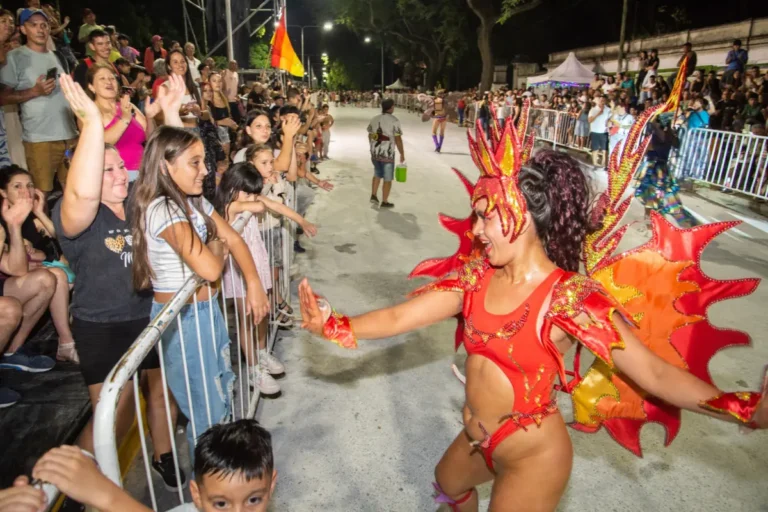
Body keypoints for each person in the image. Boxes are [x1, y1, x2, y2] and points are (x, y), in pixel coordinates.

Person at [298, 106, 768, 511]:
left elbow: (656, 375)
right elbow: (401, 316)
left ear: (525, 215)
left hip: (532, 454)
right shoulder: (475, 278)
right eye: (476, 214)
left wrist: (742, 407)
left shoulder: (570, 298)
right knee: (447, 485)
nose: (476, 228)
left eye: (486, 215)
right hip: (478, 439)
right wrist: (335, 326)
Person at [55, 74, 186, 490]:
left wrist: (170, 113)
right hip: (101, 325)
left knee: (161, 390)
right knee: (115, 410)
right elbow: (82, 196)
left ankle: (163, 456)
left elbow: (179, 172)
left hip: (147, 315)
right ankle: (75, 483)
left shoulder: (138, 205)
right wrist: (93, 125)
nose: (118, 174)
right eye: (106, 168)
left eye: (119, 167)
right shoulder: (74, 214)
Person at [130, 119, 269, 464]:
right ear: (165, 165)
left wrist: (253, 283)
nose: (205, 171)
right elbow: (209, 266)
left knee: (219, 396)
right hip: (184, 321)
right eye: (195, 162)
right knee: (206, 414)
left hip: (205, 313)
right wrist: (216, 244)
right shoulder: (163, 208)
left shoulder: (191, 203)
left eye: (204, 161)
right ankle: (211, 489)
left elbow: (232, 238)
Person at [215, 160, 317, 394]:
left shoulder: (247, 201)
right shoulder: (229, 207)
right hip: (238, 270)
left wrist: (301, 220)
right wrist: (256, 202)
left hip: (257, 262)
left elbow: (276, 207)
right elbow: (260, 206)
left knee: (262, 314)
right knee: (247, 319)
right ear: (233, 186)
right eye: (248, 193)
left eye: (254, 194)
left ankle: (261, 353)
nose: (252, 198)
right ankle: (252, 369)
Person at [0, 165, 77, 362]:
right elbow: (16, 268)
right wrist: (14, 227)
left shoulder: (31, 219)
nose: (25, 191)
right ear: (3, 192)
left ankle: (14, 350)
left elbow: (62, 242)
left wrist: (40, 212)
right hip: (11, 280)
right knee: (53, 276)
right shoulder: (4, 221)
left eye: (30, 185)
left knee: (56, 275)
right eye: (17, 186)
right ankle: (65, 343)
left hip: (20, 277)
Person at [0, 8, 78, 198]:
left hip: (70, 136)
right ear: (23, 30)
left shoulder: (59, 56)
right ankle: (41, 227)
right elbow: (3, 97)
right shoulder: (14, 57)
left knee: (75, 190)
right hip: (39, 139)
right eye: (33, 25)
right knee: (40, 195)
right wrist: (35, 91)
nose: (40, 29)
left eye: (44, 25)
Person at [83, 63, 149, 182]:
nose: (109, 82)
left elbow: (150, 135)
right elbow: (99, 144)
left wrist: (150, 116)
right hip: (117, 177)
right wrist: (124, 119)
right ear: (91, 87)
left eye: (112, 78)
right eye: (102, 78)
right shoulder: (90, 113)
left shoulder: (128, 106)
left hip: (145, 171)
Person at [634, 115, 696, 228]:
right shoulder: (669, 135)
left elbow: (647, 149)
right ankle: (652, 222)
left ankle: (652, 223)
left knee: (651, 197)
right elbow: (676, 145)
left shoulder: (656, 135)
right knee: (656, 197)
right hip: (662, 168)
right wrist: (672, 133)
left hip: (653, 169)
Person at [367, 98, 404, 208]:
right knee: (387, 179)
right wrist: (402, 153)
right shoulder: (394, 120)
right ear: (391, 107)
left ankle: (373, 195)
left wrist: (373, 145)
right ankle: (385, 201)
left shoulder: (374, 119)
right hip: (387, 154)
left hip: (375, 153)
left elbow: (369, 135)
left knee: (377, 173)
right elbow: (398, 139)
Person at [588, 95, 611, 167]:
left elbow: (611, 120)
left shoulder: (608, 110)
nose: (602, 102)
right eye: (601, 100)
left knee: (605, 150)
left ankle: (604, 165)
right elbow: (590, 120)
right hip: (595, 131)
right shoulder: (593, 109)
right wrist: (598, 114)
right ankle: (595, 164)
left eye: (603, 100)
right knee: (595, 149)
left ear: (606, 101)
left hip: (604, 132)